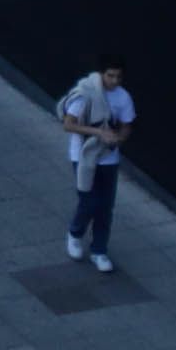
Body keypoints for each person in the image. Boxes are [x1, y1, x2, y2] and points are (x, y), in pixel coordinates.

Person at [58, 63, 131, 271]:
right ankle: (75, 233)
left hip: (108, 157)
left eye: (118, 76)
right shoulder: (85, 93)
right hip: (83, 155)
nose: (114, 81)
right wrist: (99, 133)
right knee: (89, 201)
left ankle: (99, 251)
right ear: (101, 74)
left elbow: (127, 126)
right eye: (110, 76)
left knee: (105, 207)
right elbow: (68, 124)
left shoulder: (123, 97)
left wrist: (118, 140)